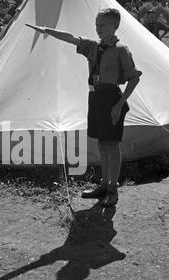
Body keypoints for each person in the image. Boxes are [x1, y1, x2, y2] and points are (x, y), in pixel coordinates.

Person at [26, 8, 142, 207]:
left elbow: (134, 79)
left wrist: (119, 105)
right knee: (102, 143)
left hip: (112, 99)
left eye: (102, 25)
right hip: (95, 97)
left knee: (112, 145)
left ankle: (113, 189)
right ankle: (104, 184)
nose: (98, 29)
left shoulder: (122, 50)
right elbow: (71, 38)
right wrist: (48, 30)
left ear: (115, 26)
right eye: (97, 25)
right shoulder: (93, 47)